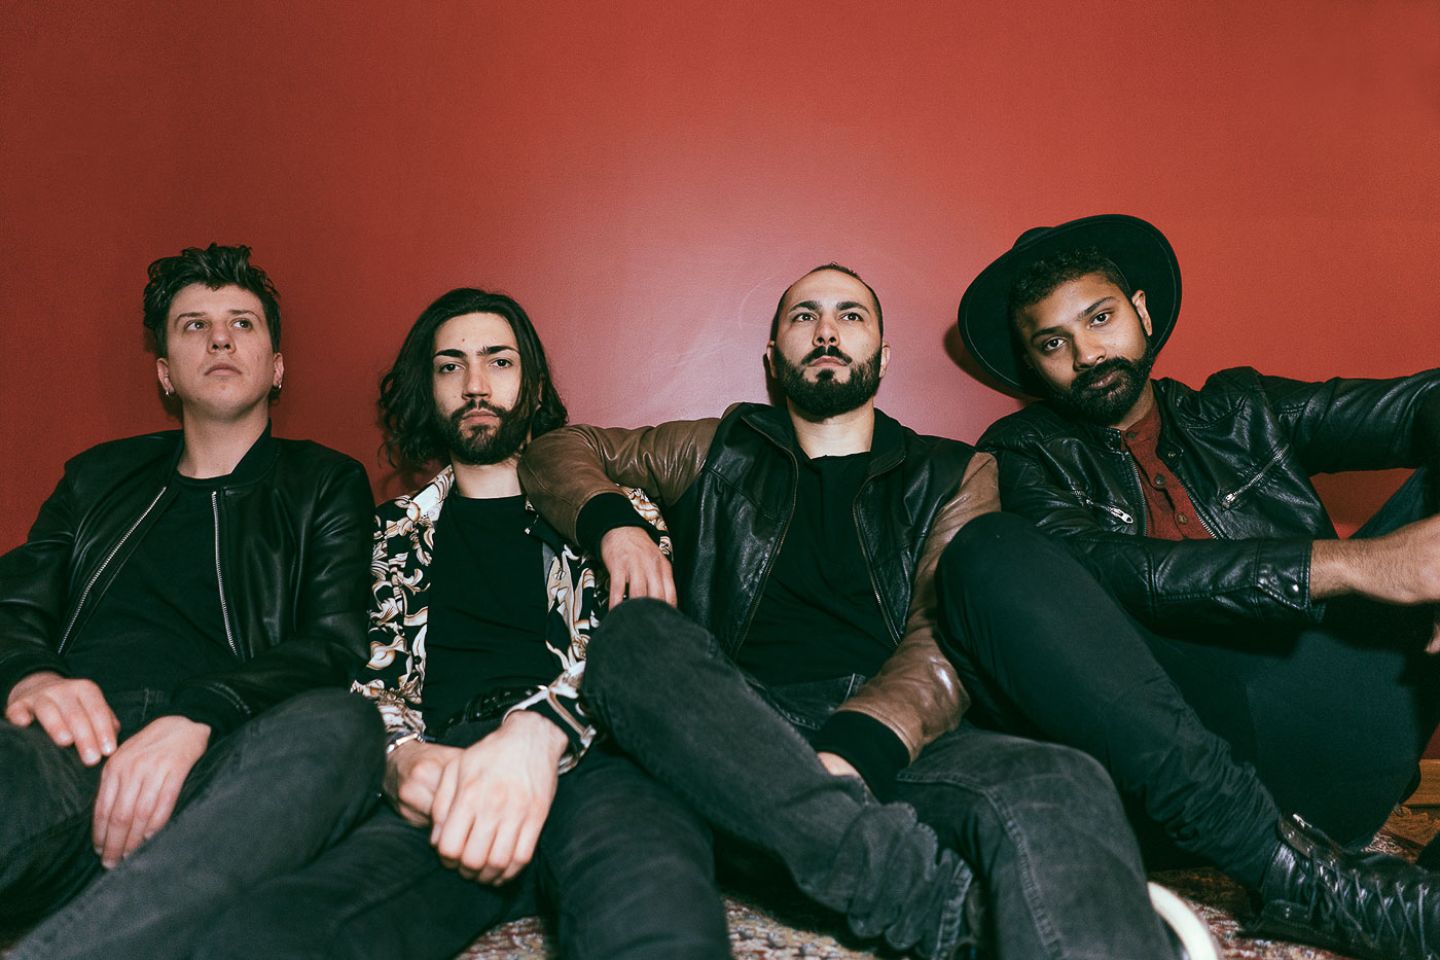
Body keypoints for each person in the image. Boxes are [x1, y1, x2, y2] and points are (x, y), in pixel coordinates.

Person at [519, 264, 1202, 960]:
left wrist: (858, 746)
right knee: (634, 637)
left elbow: (943, 633)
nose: (826, 332)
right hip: (737, 735)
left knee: (1064, 780)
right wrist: (616, 526)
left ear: (882, 354)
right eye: (804, 316)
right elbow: (554, 451)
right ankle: (941, 907)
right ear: (773, 357)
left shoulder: (953, 472)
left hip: (894, 737)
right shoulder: (713, 448)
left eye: (851, 316)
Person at [951, 213, 1440, 959]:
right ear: (1034, 366)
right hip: (1172, 769)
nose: (1086, 354)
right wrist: (1358, 564)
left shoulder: (1242, 409)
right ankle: (1299, 879)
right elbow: (1114, 570)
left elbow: (1416, 405)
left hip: (1328, 733)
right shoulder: (1023, 453)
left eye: (1100, 318)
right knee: (984, 550)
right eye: (1053, 343)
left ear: (1142, 313)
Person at [194, 288, 730, 960]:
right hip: (451, 768)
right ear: (431, 389)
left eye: (498, 362)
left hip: (602, 764)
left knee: (661, 929)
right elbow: (367, 677)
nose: (475, 384)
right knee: (268, 934)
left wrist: (540, 735)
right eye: (451, 366)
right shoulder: (388, 536)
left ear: (534, 388)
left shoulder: (619, 514)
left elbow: (647, 653)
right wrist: (401, 759)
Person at [0, 244, 381, 959]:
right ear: (165, 374)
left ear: (276, 367)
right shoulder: (94, 477)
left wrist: (197, 714)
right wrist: (32, 677)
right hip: (68, 746)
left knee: (345, 728)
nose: (220, 339)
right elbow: (13, 603)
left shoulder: (323, 482)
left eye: (242, 323)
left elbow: (334, 644)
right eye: (194, 325)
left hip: (221, 763)